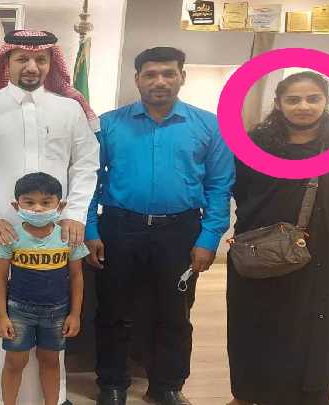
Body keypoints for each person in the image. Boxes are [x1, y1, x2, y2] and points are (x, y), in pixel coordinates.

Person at [0, 30, 100, 405]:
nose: (32, 66)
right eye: (22, 59)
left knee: (50, 308)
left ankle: (46, 397)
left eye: (41, 59)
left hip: (54, 231)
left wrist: (75, 214)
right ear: (6, 62)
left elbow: (86, 165)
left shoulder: (69, 109)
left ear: (50, 64)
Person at [84, 47, 235, 405]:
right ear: (137, 79)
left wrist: (209, 238)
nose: (160, 81)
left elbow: (219, 186)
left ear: (182, 77)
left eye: (169, 73)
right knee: (113, 309)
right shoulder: (108, 124)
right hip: (119, 228)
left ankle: (167, 385)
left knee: (174, 311)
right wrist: (90, 230)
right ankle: (112, 384)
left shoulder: (209, 125)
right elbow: (88, 179)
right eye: (150, 74)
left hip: (180, 232)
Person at [226, 72, 329, 405]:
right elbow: (243, 192)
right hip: (263, 249)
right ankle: (251, 393)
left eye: (312, 98)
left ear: (326, 102)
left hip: (324, 258)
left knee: (315, 327)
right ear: (278, 103)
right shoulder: (253, 146)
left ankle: (307, 396)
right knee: (255, 322)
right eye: (293, 99)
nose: (303, 106)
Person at [0, 172, 88, 405]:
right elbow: (0, 278)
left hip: (57, 311)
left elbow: (77, 276)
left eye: (46, 202)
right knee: (14, 362)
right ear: (16, 205)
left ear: (60, 205)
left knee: (50, 361)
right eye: (29, 202)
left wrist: (75, 314)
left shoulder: (68, 237)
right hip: (18, 312)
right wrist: (2, 316)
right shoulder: (10, 236)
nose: (37, 208)